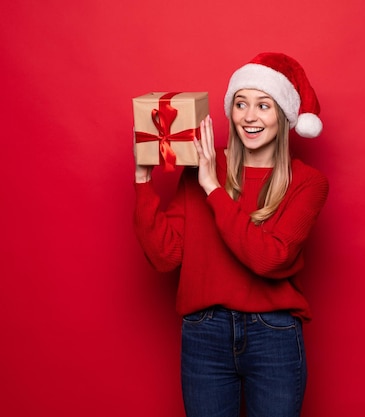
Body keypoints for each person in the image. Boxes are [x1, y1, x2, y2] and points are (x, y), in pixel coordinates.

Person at [133, 52, 329, 417]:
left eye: (263, 106)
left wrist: (213, 189)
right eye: (241, 104)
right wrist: (143, 179)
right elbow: (165, 257)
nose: (249, 117)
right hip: (204, 334)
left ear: (285, 117)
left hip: (274, 336)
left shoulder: (308, 183)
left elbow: (269, 258)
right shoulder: (201, 168)